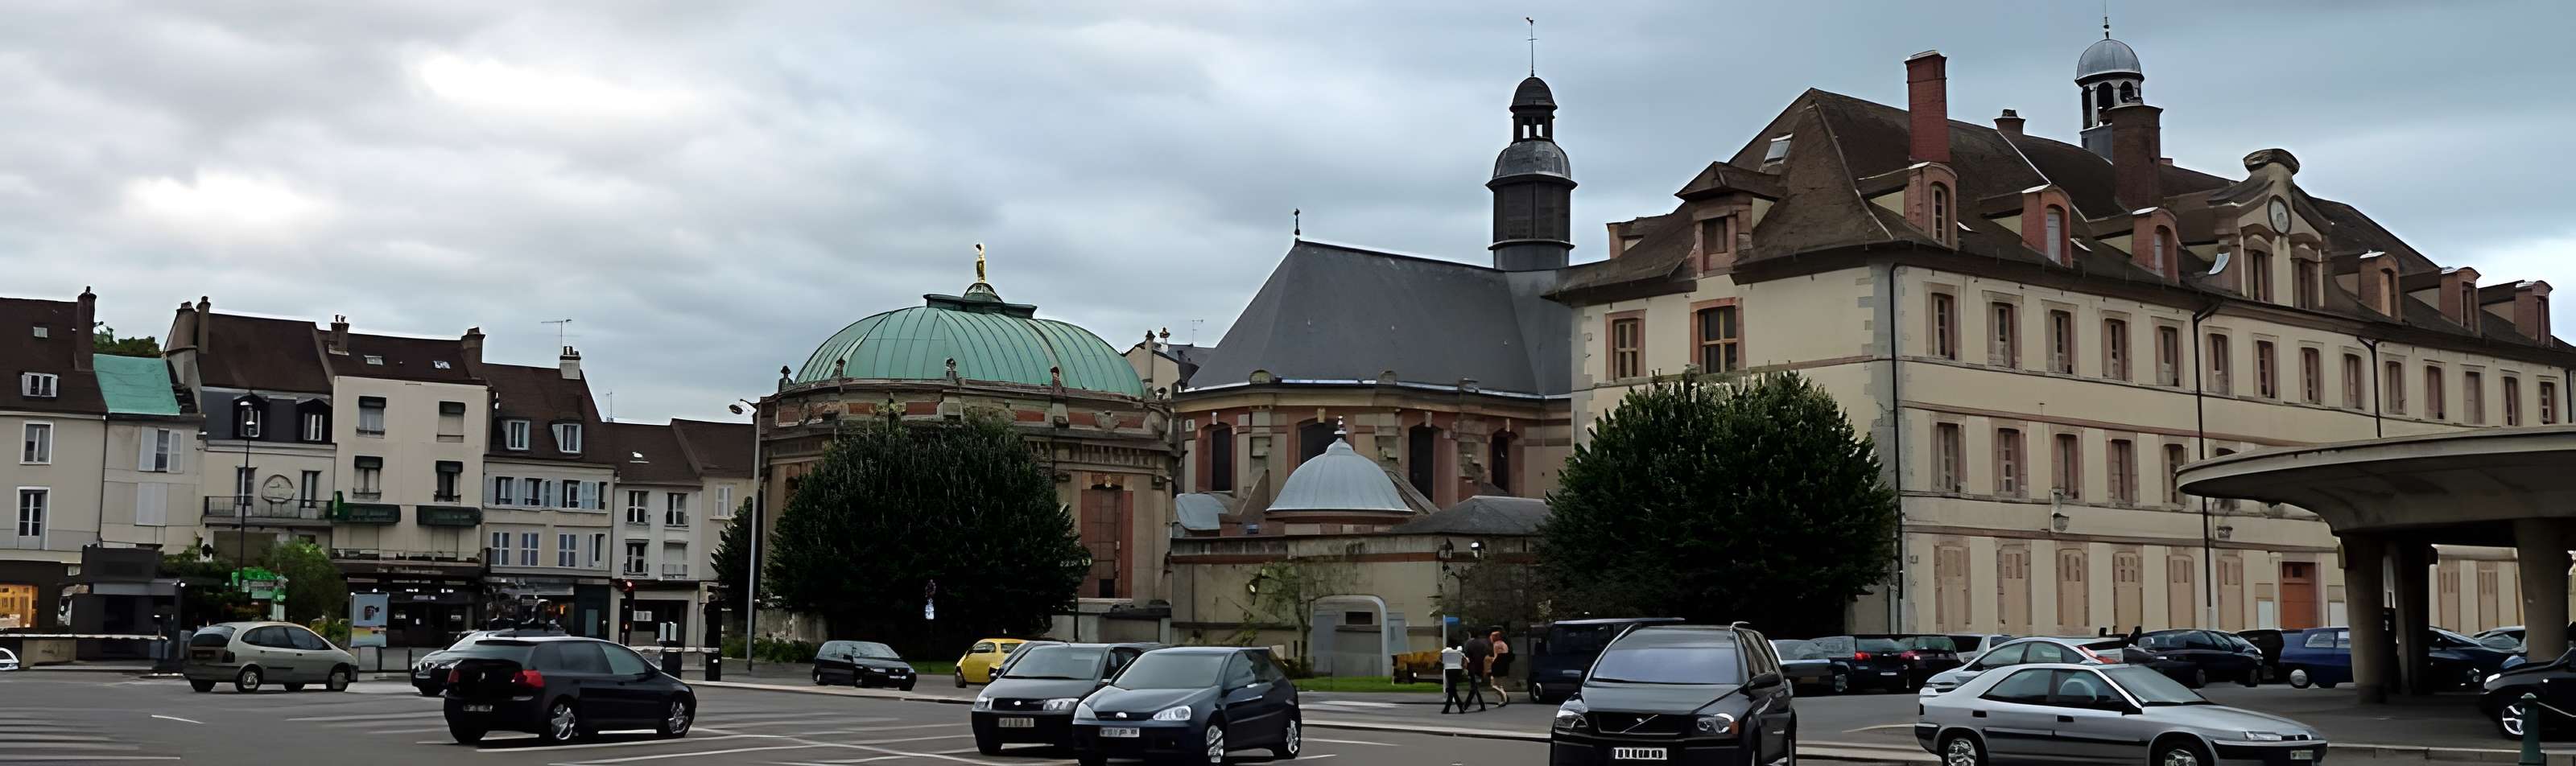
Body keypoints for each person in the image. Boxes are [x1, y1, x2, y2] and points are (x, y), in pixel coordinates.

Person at [1461, 633, 1492, 711]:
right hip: (1480, 667)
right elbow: (1486, 655)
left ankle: (1465, 706)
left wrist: (1464, 667)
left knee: (1473, 687)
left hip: (1472, 667)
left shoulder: (1469, 644)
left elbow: (1467, 657)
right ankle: (1482, 706)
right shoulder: (1483, 644)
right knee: (1475, 687)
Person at [1439, 642, 1469, 714]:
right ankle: (1456, 707)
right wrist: (1463, 668)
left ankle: (1454, 708)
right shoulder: (1459, 652)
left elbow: (1440, 659)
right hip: (1457, 670)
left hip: (1449, 669)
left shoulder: (1445, 651)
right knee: (1452, 688)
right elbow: (1465, 660)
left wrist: (1446, 662)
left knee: (1451, 688)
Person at [1485, 630, 1513, 705]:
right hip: (1504, 666)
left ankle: (1504, 698)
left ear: (1495, 637)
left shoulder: (1496, 645)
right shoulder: (1503, 644)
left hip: (1498, 667)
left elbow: (1496, 657)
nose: (1490, 638)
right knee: (1499, 685)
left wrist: (1491, 666)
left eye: (1491, 636)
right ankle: (1503, 699)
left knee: (1493, 685)